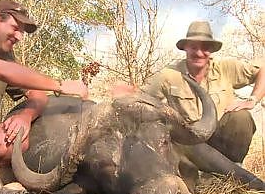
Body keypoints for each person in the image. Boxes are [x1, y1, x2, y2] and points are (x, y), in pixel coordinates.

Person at [0, 0, 88, 194]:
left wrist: (26, 116)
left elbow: (37, 94)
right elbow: (2, 71)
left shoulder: (5, 55)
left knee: (15, 137)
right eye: (15, 28)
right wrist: (60, 85)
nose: (19, 36)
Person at [112, 20, 265, 168]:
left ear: (211, 50)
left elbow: (262, 70)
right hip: (190, 142)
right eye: (193, 47)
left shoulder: (226, 67)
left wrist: (253, 99)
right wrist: (126, 96)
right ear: (185, 48)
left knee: (241, 117)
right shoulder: (168, 74)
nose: (199, 53)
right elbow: (142, 99)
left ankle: (235, 168)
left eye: (205, 47)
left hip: (221, 137)